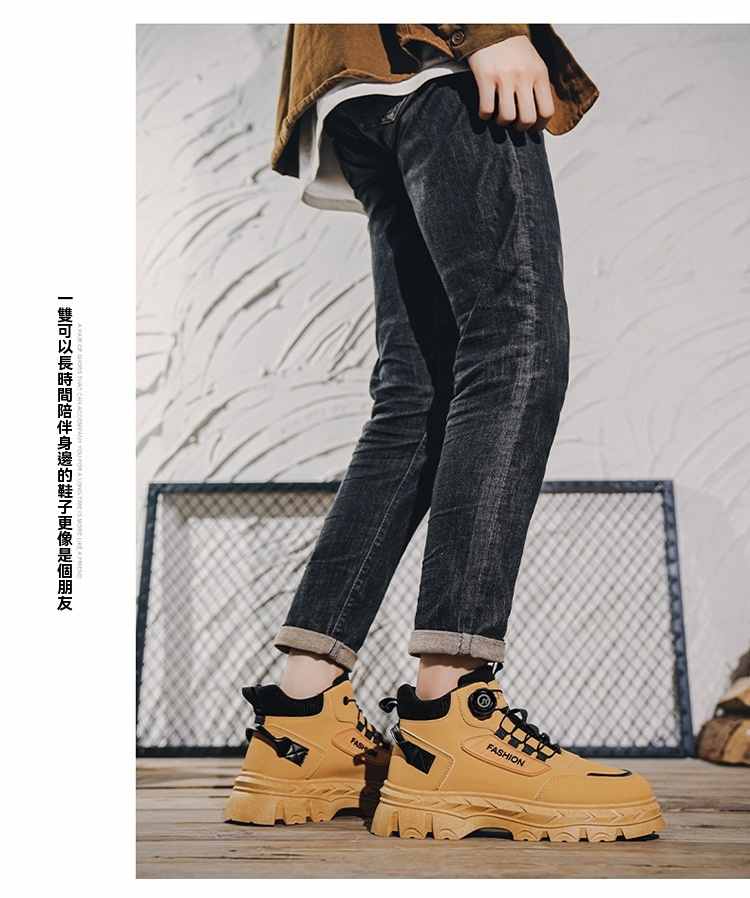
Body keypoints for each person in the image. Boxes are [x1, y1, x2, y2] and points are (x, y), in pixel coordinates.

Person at [225, 24, 665, 842]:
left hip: (351, 80)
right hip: (433, 56)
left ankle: (301, 718)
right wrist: (487, 26)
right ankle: (454, 716)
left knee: (417, 398)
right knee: (516, 347)